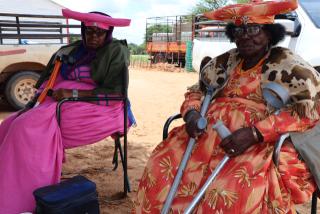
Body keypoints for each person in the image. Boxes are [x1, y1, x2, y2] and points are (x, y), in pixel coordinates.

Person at [134, 0, 320, 213]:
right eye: (239, 30)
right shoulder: (225, 61)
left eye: (253, 29)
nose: (245, 36)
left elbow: (310, 109)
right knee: (160, 167)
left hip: (258, 141)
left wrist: (256, 133)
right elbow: (196, 91)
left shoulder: (289, 64)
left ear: (269, 33)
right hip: (205, 134)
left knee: (228, 189)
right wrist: (192, 113)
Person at [0, 9, 134, 213]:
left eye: (99, 33)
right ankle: (6, 183)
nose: (93, 37)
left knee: (26, 128)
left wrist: (73, 94)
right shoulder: (74, 49)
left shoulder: (115, 51)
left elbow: (116, 93)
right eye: (89, 31)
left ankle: (24, 196)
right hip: (62, 99)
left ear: (108, 34)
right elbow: (49, 78)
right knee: (9, 123)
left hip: (101, 106)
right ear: (82, 30)